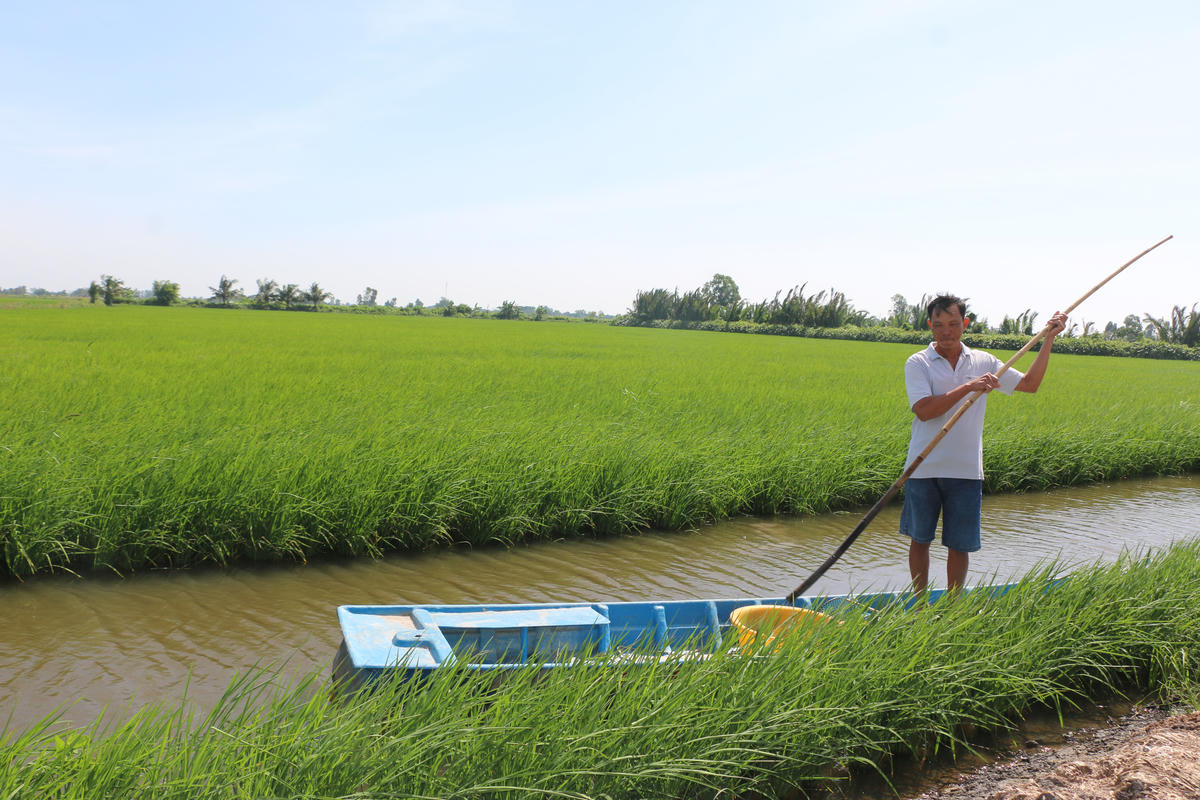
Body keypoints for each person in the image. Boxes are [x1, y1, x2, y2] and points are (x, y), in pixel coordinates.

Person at [901, 294, 1067, 592]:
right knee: (919, 539)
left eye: (953, 324)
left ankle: (952, 608)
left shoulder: (983, 361)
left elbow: (1030, 384)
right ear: (930, 326)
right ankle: (919, 606)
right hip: (923, 468)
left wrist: (1049, 340)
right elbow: (924, 411)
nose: (946, 332)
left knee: (959, 544)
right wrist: (969, 386)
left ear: (964, 324)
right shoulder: (919, 362)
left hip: (966, 471)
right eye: (939, 325)